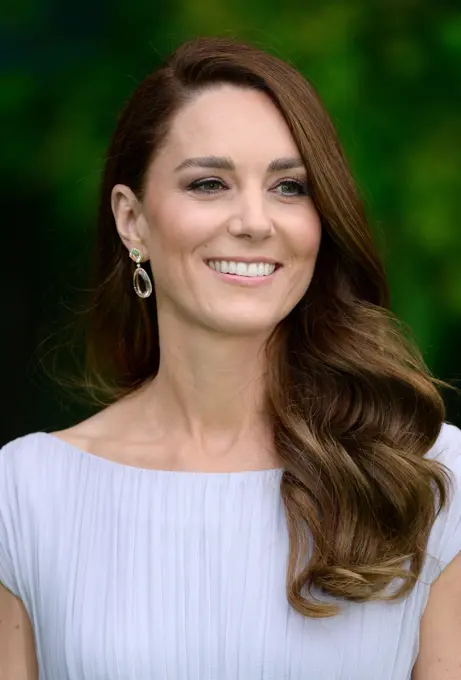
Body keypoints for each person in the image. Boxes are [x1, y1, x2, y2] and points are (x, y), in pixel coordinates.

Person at [1, 36, 460, 680]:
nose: (254, 220)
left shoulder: (426, 476)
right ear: (133, 221)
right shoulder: (26, 492)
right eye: (210, 183)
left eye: (290, 186)